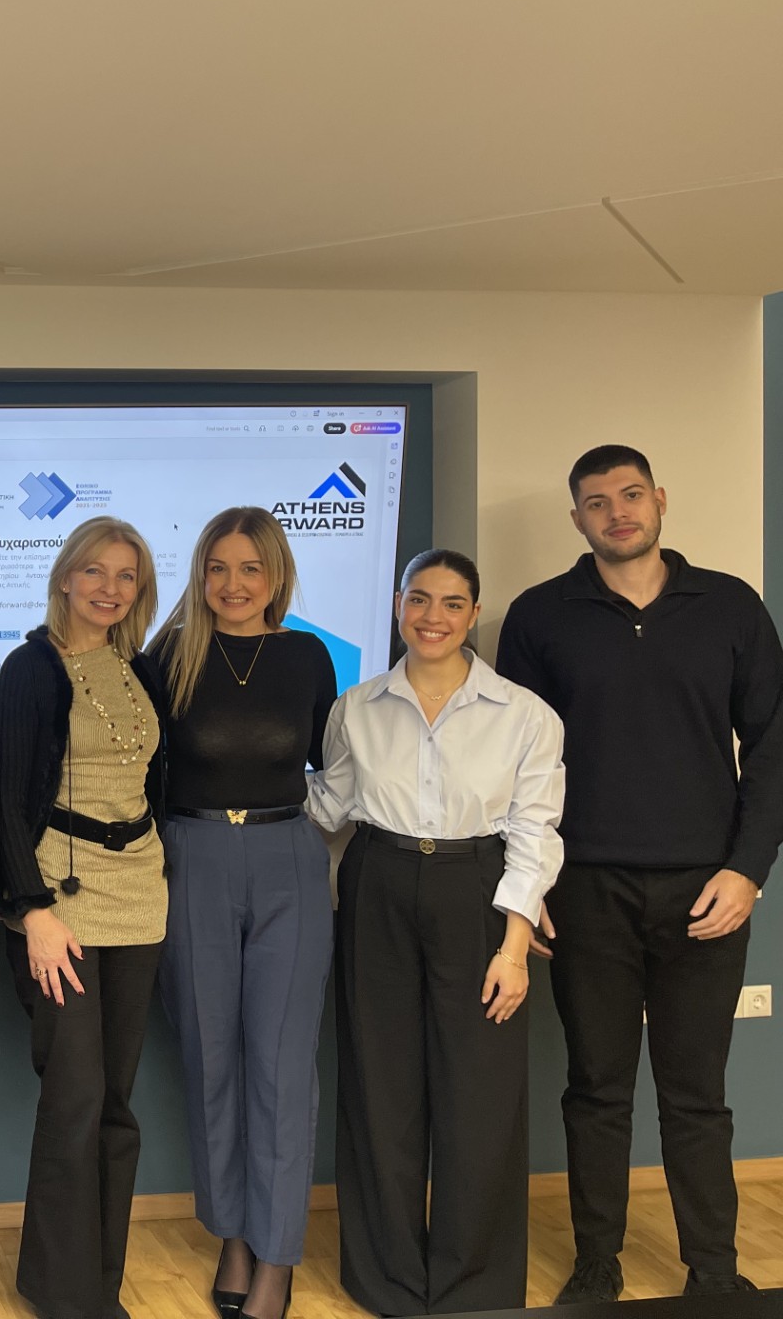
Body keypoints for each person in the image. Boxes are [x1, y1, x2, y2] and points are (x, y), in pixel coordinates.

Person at [497, 444, 782, 1303]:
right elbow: (515, 765)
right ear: (576, 517)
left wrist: (747, 873)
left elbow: (772, 748)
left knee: (698, 1094)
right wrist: (530, 887)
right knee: (596, 1091)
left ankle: (716, 1271)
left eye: (630, 495)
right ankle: (598, 1265)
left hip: (707, 889)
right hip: (586, 888)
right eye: (596, 501)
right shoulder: (541, 616)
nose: (617, 512)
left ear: (659, 498)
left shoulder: (730, 605)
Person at [308, 549, 564, 1317]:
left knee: (478, 1094)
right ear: (397, 605)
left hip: (477, 892)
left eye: (452, 603)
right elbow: (331, 809)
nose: (433, 617)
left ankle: (472, 1285)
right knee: (379, 1089)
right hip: (378, 883)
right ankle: (385, 1280)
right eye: (419, 600)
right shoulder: (357, 707)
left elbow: (536, 829)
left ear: (474, 613)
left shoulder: (524, 714)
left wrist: (514, 944)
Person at [145, 508, 337, 1319]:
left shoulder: (308, 656)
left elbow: (336, 766)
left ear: (276, 575)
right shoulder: (167, 658)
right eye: (218, 568)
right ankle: (231, 1231)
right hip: (190, 861)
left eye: (250, 568)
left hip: (288, 858)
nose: (233, 584)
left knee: (282, 1071)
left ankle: (278, 1256)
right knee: (210, 1060)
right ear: (200, 573)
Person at [0, 515, 170, 1319]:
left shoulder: (141, 668)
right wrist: (29, 910)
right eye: (94, 571)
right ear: (65, 575)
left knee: (116, 1104)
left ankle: (99, 1282)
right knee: (75, 1097)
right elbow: (1, 801)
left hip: (141, 895)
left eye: (126, 576)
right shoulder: (31, 669)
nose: (108, 588)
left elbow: (148, 782)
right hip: (61, 905)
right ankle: (64, 1296)